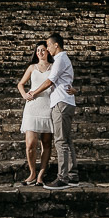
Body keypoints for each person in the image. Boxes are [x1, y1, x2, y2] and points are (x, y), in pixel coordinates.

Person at [26, 32, 78, 190]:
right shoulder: (62, 59)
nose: (47, 48)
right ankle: (73, 175)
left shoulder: (60, 59)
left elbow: (50, 81)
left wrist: (34, 92)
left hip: (61, 103)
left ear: (56, 45)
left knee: (61, 141)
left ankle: (63, 178)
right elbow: (66, 80)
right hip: (66, 101)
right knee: (67, 140)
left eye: (48, 45)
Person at [16, 43, 55, 185]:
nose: (40, 52)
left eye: (43, 50)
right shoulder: (32, 67)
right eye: (38, 50)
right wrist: (24, 94)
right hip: (32, 107)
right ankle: (32, 173)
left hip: (48, 106)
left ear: (48, 52)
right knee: (30, 143)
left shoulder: (53, 67)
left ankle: (41, 175)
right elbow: (20, 84)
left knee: (46, 143)